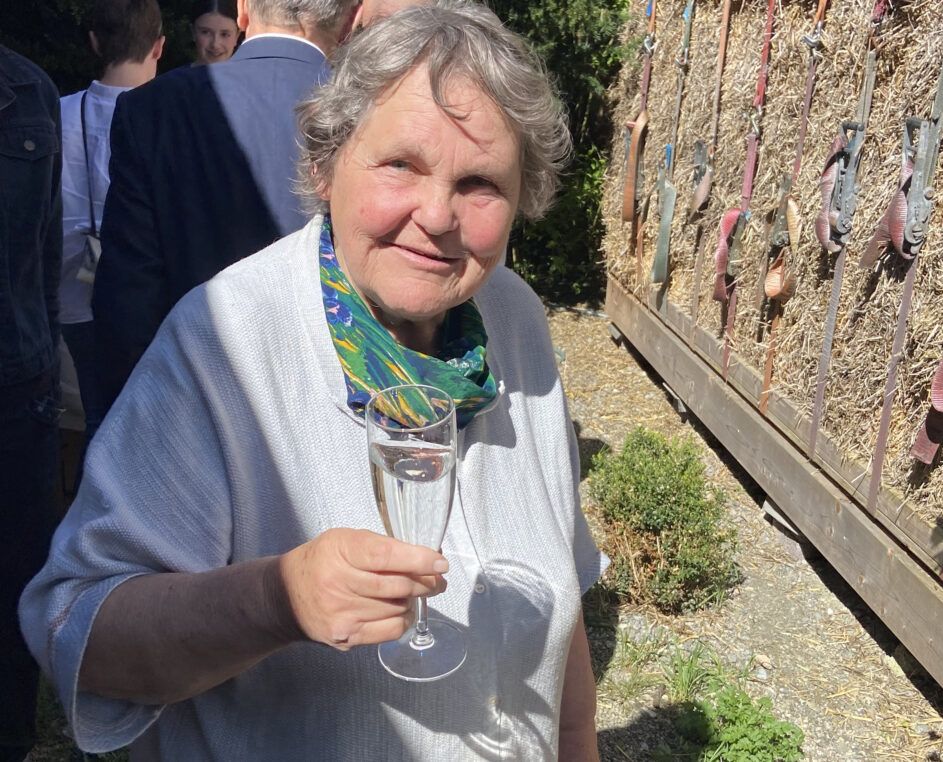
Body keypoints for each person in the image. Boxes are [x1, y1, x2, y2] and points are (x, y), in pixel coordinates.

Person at [20, 3, 603, 759]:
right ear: (326, 164)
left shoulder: (512, 318)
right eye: (401, 165)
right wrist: (274, 599)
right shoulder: (227, 341)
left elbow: (563, 598)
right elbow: (79, 631)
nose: (438, 215)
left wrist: (577, 741)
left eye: (481, 183)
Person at [91, 0, 360, 415]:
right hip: (342, 400)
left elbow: (128, 293)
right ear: (350, 18)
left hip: (187, 393)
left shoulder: (155, 106)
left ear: (243, 9)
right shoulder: (375, 108)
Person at [59, 0, 164, 455]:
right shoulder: (170, 116)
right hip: (153, 303)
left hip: (72, 297)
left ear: (94, 42)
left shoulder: (57, 114)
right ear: (159, 46)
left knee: (97, 417)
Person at [0, 45, 63, 762]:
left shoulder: (29, 92)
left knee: (14, 583)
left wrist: (43, 359)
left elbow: (45, 249)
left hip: (16, 388)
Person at [190, 0, 242, 65]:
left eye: (224, 34)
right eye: (205, 32)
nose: (215, 45)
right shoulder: (179, 72)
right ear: (193, 32)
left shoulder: (250, 71)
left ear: (237, 36)